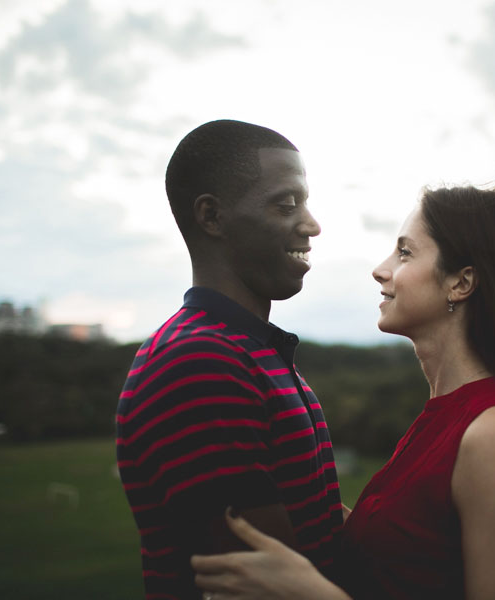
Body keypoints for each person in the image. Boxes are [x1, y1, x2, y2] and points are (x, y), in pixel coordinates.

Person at [190, 146, 495, 599]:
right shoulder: (440, 417)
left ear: (461, 282)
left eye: (405, 253)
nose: (380, 270)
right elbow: (400, 557)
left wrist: (308, 593)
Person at [116, 120, 346, 599]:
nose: (312, 224)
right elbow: (269, 584)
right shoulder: (198, 362)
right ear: (212, 217)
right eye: (287, 204)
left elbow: (321, 537)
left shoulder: (250, 351)